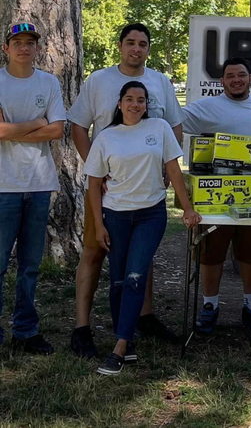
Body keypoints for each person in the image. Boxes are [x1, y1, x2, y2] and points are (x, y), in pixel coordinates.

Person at [68, 23, 185, 357]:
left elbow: (174, 126)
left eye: (143, 44)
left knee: (140, 257)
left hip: (144, 191)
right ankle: (82, 327)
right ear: (120, 46)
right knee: (93, 251)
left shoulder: (160, 82)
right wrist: (96, 168)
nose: (137, 49)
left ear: (149, 48)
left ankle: (143, 317)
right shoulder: (99, 80)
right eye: (131, 43)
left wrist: (166, 165)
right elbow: (78, 125)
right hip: (107, 190)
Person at [83, 81, 200, 375]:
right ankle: (127, 340)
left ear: (147, 105)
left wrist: (187, 208)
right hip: (115, 216)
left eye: (141, 100)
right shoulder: (106, 137)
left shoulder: (159, 128)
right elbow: (94, 185)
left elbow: (173, 170)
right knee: (119, 280)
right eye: (129, 99)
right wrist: (99, 226)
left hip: (151, 214)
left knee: (136, 275)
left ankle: (120, 347)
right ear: (119, 103)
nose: (135, 105)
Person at [182, 57, 251, 333]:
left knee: (250, 255)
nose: (236, 80)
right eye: (230, 76)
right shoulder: (205, 107)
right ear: (222, 81)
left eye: (241, 75)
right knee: (211, 254)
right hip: (215, 197)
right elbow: (174, 120)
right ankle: (210, 305)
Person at [0, 22, 65, 355]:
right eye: (17, 42)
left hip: (39, 184)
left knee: (29, 265)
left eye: (30, 42)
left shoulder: (48, 82)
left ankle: (25, 332)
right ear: (6, 48)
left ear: (37, 48)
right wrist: (37, 122)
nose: (24, 48)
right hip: (4, 186)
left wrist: (13, 129)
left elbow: (56, 131)